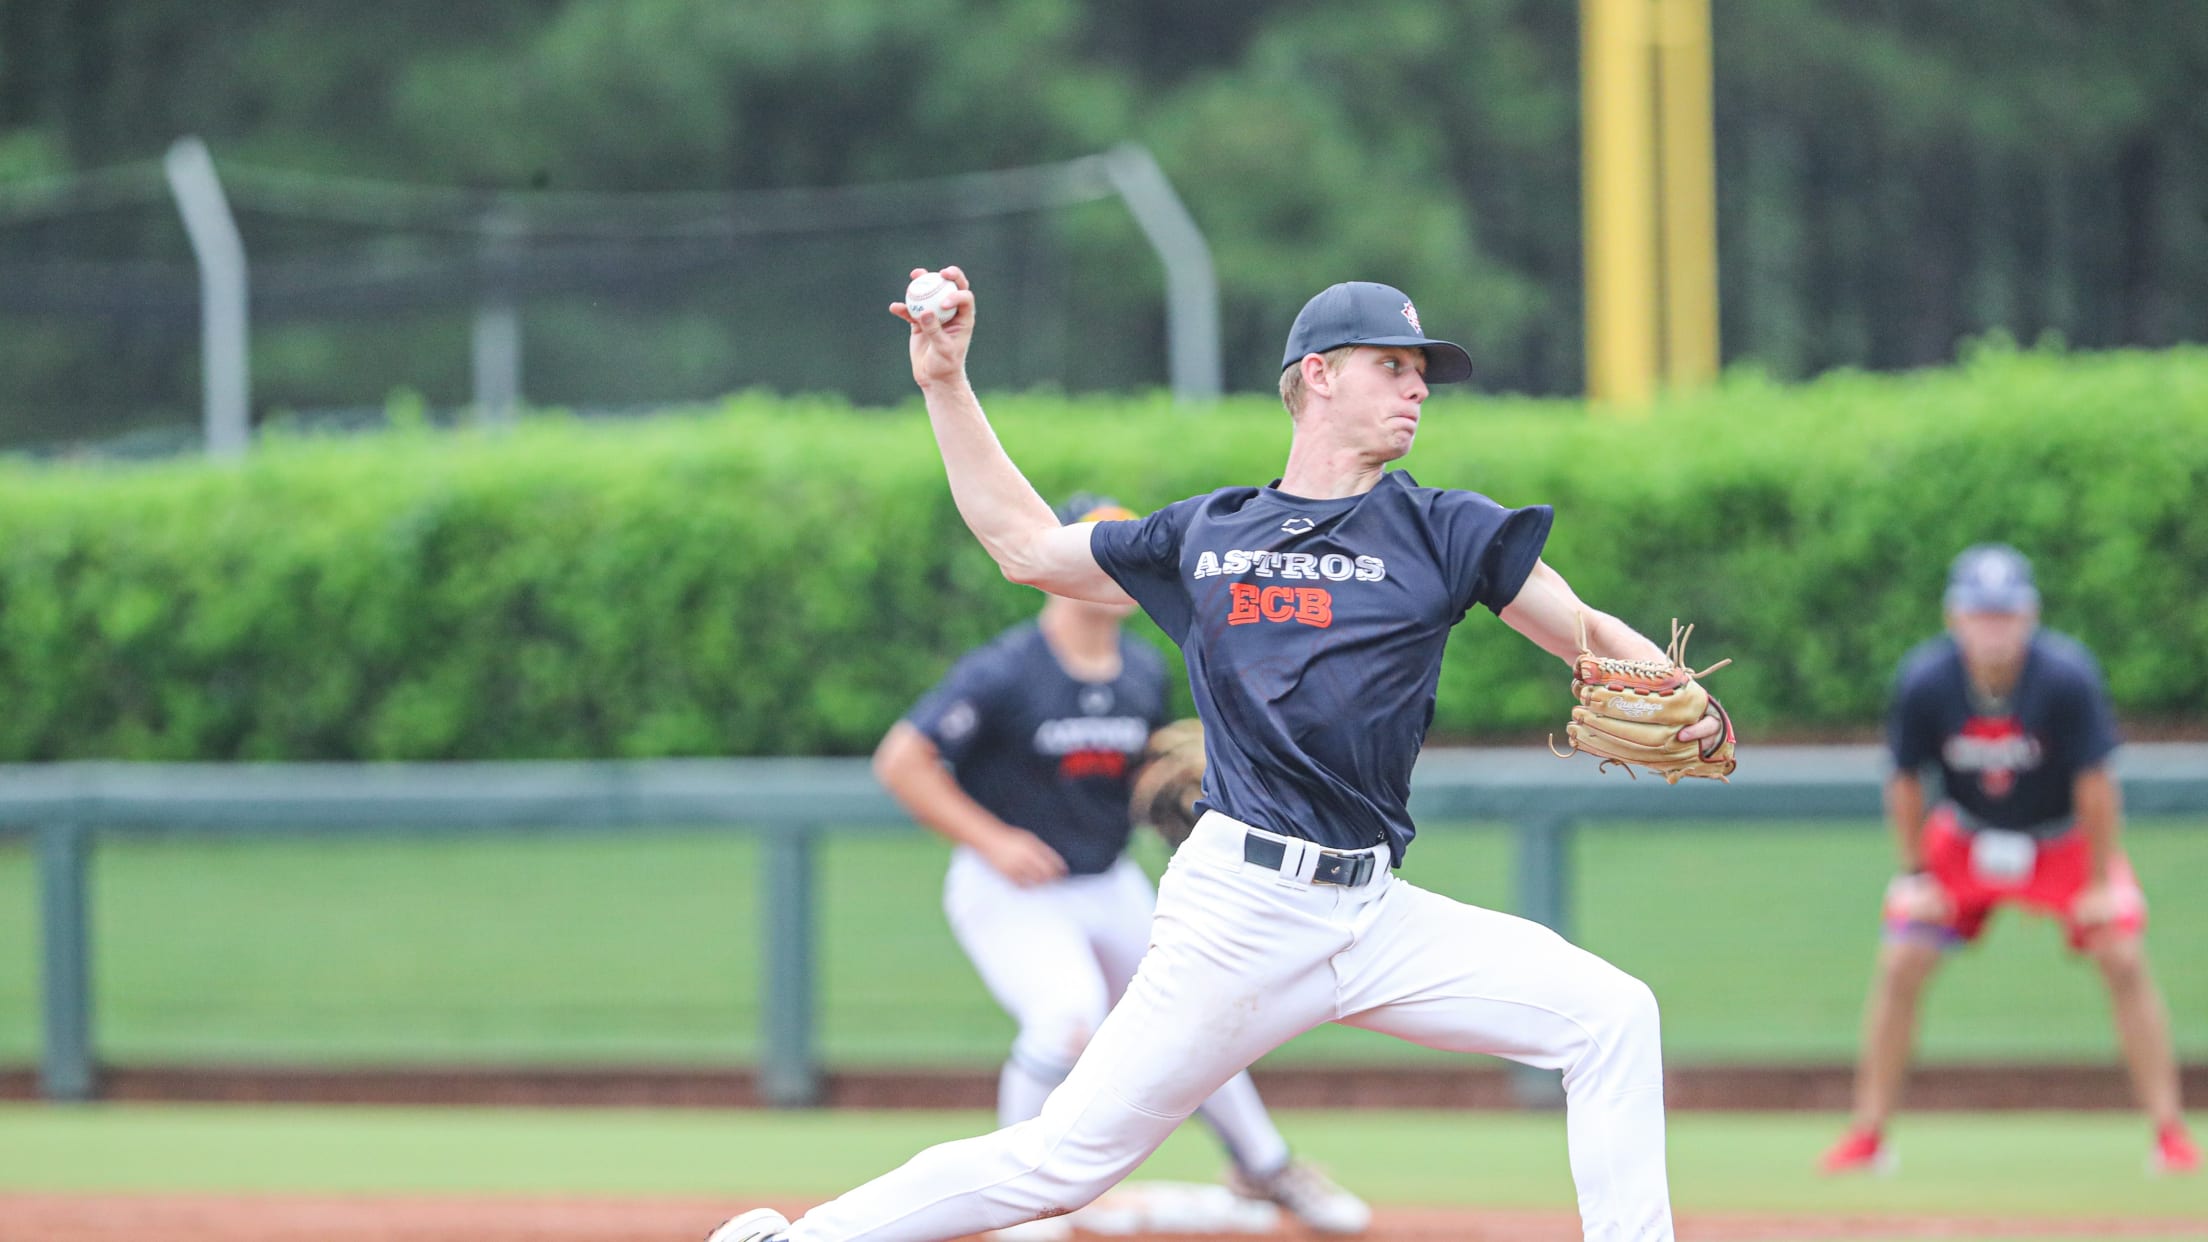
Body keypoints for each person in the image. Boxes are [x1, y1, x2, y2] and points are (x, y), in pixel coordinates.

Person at [709, 271, 1731, 1242]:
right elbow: (1024, 548)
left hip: (1376, 913)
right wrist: (945, 382)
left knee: (1610, 1017)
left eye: (1425, 371)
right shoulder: (1208, 536)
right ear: (1318, 375)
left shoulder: (1444, 529)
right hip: (1241, 913)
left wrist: (1686, 700)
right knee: (1064, 1162)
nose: (1419, 385)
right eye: (1394, 363)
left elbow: (1586, 630)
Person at [871, 496, 1372, 1238]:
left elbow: (1139, 784)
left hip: (1106, 882)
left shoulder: (1141, 668)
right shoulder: (1007, 670)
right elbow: (901, 761)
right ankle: (1014, 1207)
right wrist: (992, 838)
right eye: (1106, 543)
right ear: (1061, 563)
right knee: (1067, 1020)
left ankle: (1266, 1168)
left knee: (1200, 1016)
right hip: (1011, 888)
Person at [1818, 544, 2198, 1177]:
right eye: (1980, 614)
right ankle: (1869, 1134)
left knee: (2122, 954)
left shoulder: (2066, 677)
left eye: (2006, 614)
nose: (1993, 628)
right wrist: (1916, 874)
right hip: (1963, 840)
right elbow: (1906, 780)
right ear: (1954, 617)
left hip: (2062, 840)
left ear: (2030, 615)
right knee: (1902, 957)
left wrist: (2102, 882)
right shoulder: (1925, 680)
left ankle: (2169, 1133)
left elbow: (2096, 783)